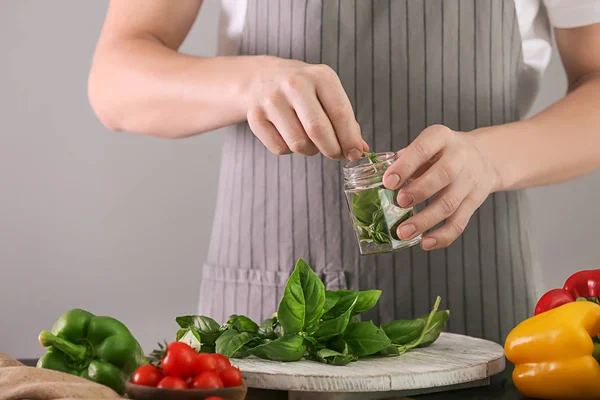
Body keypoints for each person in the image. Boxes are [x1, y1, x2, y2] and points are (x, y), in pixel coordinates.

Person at [89, 0, 600, 344]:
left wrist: (491, 158)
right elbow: (115, 79)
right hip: (270, 305)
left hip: (477, 300)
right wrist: (246, 84)